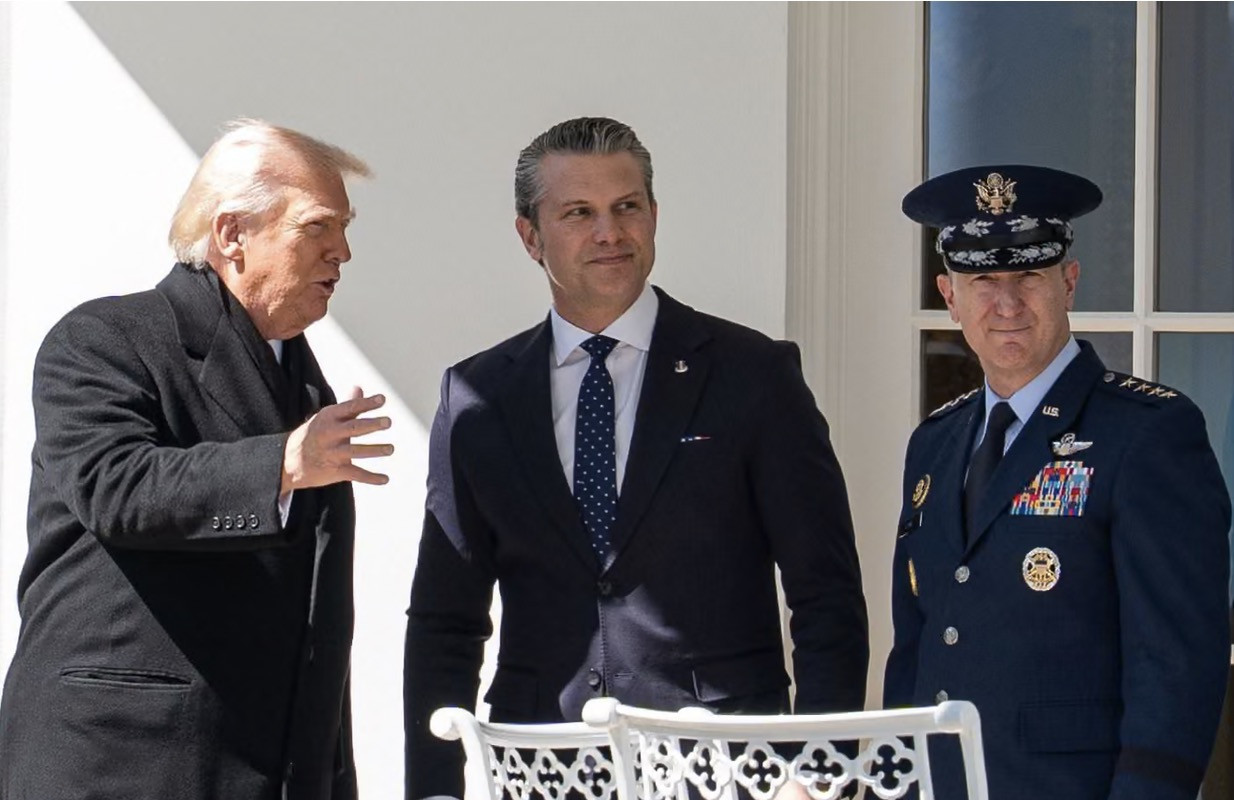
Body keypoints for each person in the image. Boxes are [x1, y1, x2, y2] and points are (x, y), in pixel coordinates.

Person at [403, 116, 869, 799]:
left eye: (627, 208)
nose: (609, 234)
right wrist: (435, 789)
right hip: (543, 765)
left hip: (725, 764)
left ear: (654, 215)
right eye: (578, 213)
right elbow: (446, 619)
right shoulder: (478, 396)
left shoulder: (753, 375)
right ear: (530, 236)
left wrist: (820, 769)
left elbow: (825, 592)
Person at [0, 120, 394, 800]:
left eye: (345, 228)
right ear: (232, 234)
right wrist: (283, 463)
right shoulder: (104, 339)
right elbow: (115, 487)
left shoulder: (303, 380)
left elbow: (314, 620)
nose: (344, 252)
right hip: (120, 764)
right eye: (318, 227)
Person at [886, 164, 1231, 800]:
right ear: (949, 294)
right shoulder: (934, 444)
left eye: (1029, 276)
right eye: (983, 278)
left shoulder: (1148, 433)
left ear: (1068, 283)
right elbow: (917, 646)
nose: (1007, 302)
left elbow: (1177, 660)